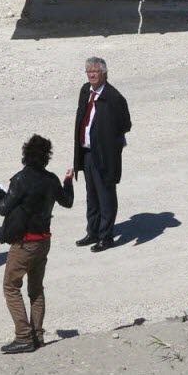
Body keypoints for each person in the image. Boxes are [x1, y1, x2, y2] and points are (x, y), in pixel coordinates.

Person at [0, 135, 75, 354]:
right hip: (44, 240)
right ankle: (37, 335)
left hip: (24, 244)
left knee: (11, 286)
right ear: (47, 156)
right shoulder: (51, 179)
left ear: (25, 154)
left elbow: (4, 208)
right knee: (36, 289)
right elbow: (68, 202)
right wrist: (68, 182)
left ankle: (24, 336)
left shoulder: (21, 179)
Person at [73, 57, 131, 252]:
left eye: (95, 71)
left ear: (104, 73)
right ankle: (93, 231)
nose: (91, 74)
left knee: (105, 195)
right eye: (88, 71)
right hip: (87, 152)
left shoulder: (114, 97)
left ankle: (106, 237)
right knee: (91, 195)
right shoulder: (85, 91)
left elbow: (125, 125)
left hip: (104, 155)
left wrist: (109, 145)